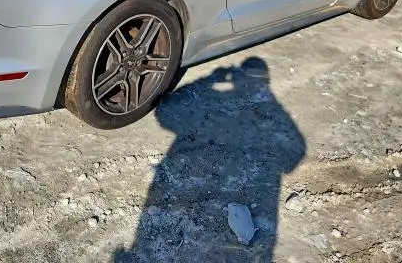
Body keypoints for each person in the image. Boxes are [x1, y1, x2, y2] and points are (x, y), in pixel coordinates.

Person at [115, 57, 305, 263]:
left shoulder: (265, 111)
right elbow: (294, 155)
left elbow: (163, 115)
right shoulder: (272, 113)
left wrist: (210, 80)